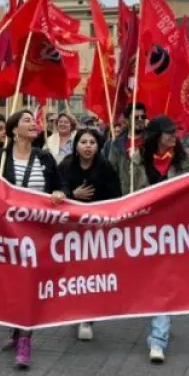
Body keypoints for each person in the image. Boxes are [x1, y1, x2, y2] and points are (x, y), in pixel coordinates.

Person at [119, 115, 189, 363]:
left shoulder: (185, 162)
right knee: (149, 282)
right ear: (155, 136)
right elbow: (125, 194)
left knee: (164, 283)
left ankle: (158, 339)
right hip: (144, 233)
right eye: (168, 132)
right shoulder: (136, 161)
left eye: (175, 131)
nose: (173, 136)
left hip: (174, 232)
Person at [0, 110, 66, 368]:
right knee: (13, 285)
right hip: (8, 233)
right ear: (14, 130)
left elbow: (60, 187)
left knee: (30, 285)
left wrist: (58, 193)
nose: (33, 124)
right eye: (26, 121)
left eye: (33, 121)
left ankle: (26, 339)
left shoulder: (45, 157)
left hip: (37, 233)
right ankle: (15, 329)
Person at [58, 127, 122, 342]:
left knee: (91, 273)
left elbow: (116, 197)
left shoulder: (106, 168)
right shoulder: (66, 165)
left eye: (92, 143)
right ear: (76, 145)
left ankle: (87, 317)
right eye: (83, 142)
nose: (88, 146)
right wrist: (71, 195)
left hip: (97, 231)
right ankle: (74, 309)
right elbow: (55, 191)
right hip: (70, 231)